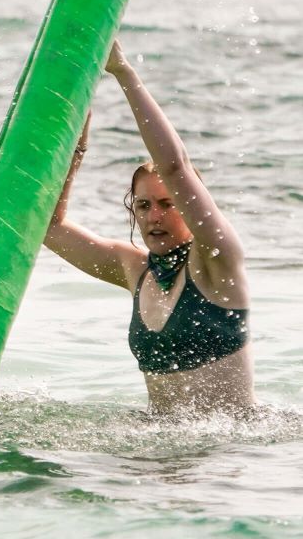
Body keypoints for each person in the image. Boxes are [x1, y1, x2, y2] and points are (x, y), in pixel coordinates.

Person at [44, 41, 252, 415]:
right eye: (144, 206)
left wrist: (123, 71)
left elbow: (175, 167)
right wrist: (78, 138)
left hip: (226, 455)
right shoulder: (135, 268)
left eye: (168, 204)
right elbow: (49, 228)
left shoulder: (219, 262)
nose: (155, 216)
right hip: (159, 448)